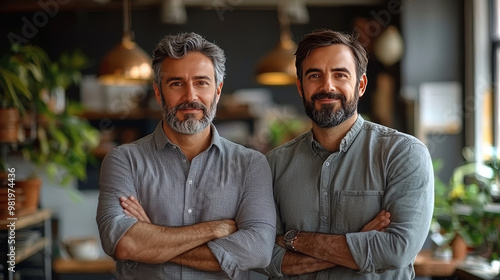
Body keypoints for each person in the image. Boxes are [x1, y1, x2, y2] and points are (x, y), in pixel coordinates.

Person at [96, 32, 277, 280]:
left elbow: (258, 251)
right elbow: (123, 244)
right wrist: (215, 229)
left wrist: (151, 238)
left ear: (218, 90)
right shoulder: (123, 160)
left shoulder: (251, 164)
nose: (190, 96)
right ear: (158, 93)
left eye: (202, 82)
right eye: (176, 83)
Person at [261, 29, 434, 279]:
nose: (327, 86)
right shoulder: (274, 164)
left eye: (340, 74)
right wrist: (359, 246)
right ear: (300, 86)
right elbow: (264, 255)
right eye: (314, 75)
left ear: (360, 85)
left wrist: (293, 240)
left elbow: (396, 251)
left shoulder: (402, 154)